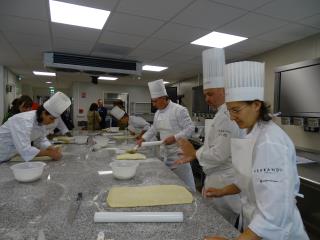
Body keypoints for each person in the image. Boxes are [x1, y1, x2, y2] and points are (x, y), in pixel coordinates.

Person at [203, 61, 309, 240]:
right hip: (254, 227)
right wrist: (222, 191)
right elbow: (247, 180)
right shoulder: (250, 133)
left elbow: (273, 214)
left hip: (276, 232)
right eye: (229, 111)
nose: (232, 117)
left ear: (256, 105)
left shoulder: (270, 143)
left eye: (236, 110)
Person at [175, 48, 241, 225]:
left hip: (224, 182)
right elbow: (213, 147)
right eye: (205, 94)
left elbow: (219, 154)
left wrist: (194, 153)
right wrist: (195, 153)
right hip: (216, 180)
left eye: (210, 94)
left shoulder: (229, 115)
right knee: (212, 224)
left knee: (219, 225)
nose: (207, 99)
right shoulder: (221, 114)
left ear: (224, 90)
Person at [137, 79, 196, 192]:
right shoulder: (158, 113)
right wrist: (143, 139)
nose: (153, 105)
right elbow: (154, 129)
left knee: (185, 187)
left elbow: (190, 129)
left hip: (180, 155)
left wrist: (174, 138)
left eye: (154, 101)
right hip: (165, 154)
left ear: (163, 98)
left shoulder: (179, 110)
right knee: (170, 185)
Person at [0, 92, 71, 162]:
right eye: (51, 118)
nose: (52, 122)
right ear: (43, 113)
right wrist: (49, 153)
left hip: (8, 157)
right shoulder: (24, 120)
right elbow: (25, 150)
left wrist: (51, 148)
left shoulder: (39, 121)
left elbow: (41, 140)